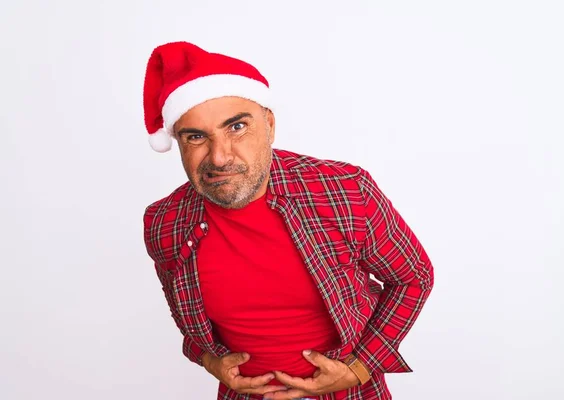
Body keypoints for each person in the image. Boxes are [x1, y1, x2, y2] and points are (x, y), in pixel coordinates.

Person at [142, 41, 434, 400]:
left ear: (269, 124)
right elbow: (184, 313)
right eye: (197, 137)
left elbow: (412, 277)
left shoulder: (342, 190)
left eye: (236, 127)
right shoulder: (164, 222)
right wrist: (207, 359)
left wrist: (359, 368)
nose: (219, 157)